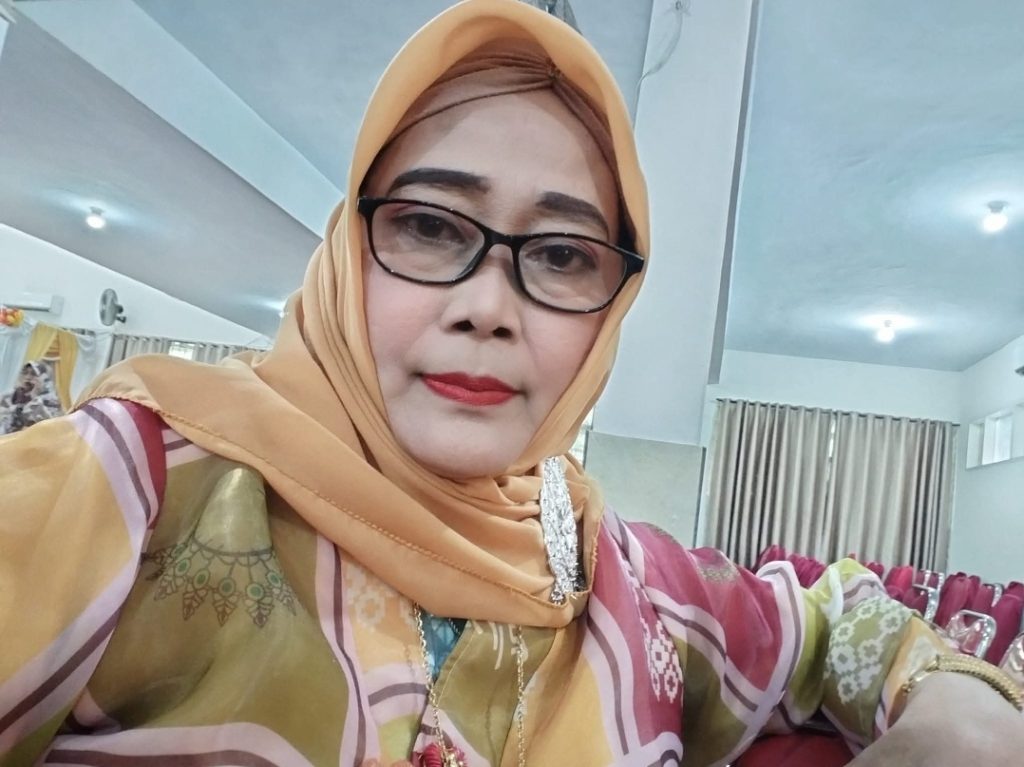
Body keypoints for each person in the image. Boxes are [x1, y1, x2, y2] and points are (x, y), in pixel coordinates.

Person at [1, 1, 1022, 765]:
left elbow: (828, 623)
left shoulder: (628, 584)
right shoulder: (134, 487)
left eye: (564, 254)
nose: (489, 305)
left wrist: (961, 711)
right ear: (349, 249)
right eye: (429, 225)